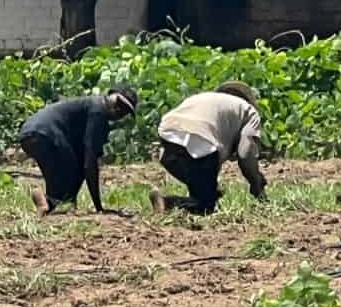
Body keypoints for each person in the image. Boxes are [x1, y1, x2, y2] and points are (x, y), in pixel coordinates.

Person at [18, 85, 139, 215]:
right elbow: (90, 162)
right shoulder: (98, 110)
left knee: (66, 173)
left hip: (29, 134)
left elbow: (84, 158)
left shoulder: (89, 107)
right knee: (73, 168)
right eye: (118, 103)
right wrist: (99, 207)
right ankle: (53, 202)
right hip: (45, 134)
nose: (118, 110)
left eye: (124, 110)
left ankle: (48, 202)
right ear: (110, 94)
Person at [150, 82, 267, 215]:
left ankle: (198, 196)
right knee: (206, 206)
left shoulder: (207, 99)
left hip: (167, 135)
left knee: (204, 188)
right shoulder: (249, 111)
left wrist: (210, 187)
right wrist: (256, 183)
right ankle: (167, 203)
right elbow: (245, 154)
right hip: (200, 139)